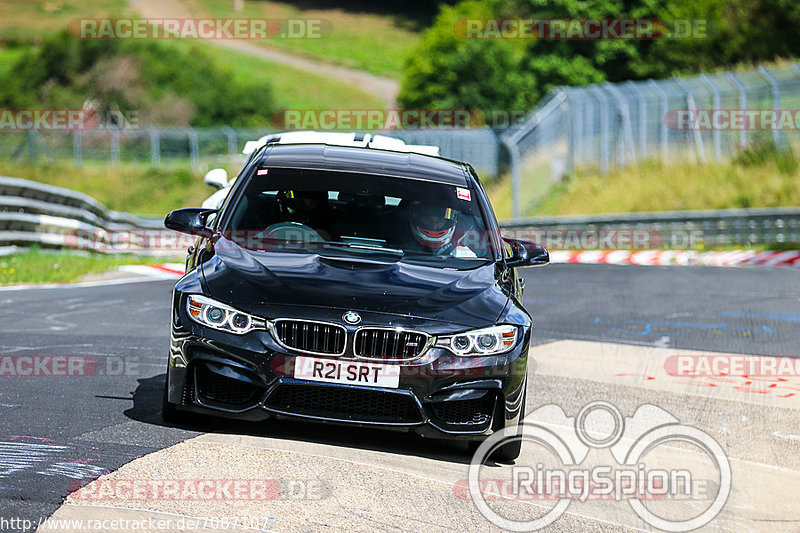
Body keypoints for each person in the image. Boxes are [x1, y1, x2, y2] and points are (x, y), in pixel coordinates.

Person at [408, 202, 477, 258]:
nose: (434, 225)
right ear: (418, 218)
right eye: (428, 217)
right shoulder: (402, 252)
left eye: (440, 218)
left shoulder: (467, 258)